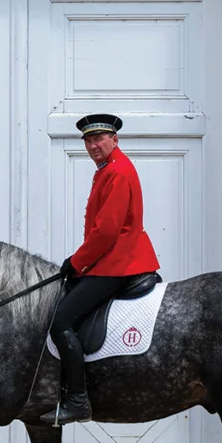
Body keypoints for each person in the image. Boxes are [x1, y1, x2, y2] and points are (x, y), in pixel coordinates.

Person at [40, 114, 160, 425]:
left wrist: (77, 262)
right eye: (88, 141)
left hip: (119, 262)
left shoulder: (117, 172)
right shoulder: (107, 169)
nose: (93, 145)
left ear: (114, 140)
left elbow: (106, 232)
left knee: (61, 320)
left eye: (99, 139)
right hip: (112, 258)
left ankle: (78, 401)